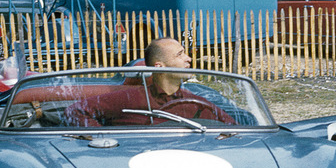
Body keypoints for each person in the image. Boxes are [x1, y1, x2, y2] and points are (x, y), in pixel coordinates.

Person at [65, 37, 232, 127]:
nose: (188, 59)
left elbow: (232, 126)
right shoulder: (130, 98)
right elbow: (75, 111)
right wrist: (105, 139)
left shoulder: (197, 103)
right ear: (160, 66)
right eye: (180, 55)